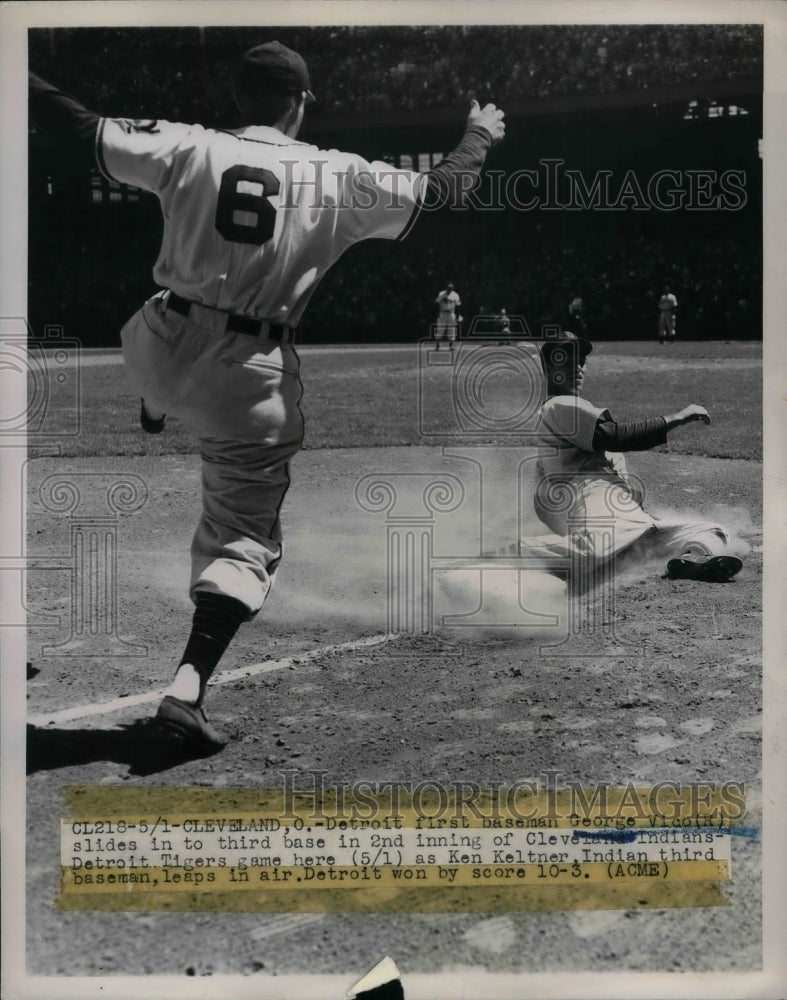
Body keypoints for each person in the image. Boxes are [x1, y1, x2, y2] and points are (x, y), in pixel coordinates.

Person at [29, 41, 506, 747]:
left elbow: (75, 127)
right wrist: (479, 134)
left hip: (155, 337)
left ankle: (158, 402)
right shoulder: (335, 172)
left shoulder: (187, 145)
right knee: (242, 536)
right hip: (248, 370)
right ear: (302, 102)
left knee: (163, 339)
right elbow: (444, 190)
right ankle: (186, 691)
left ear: (238, 97)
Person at [522, 332, 742, 590]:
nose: (578, 366)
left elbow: (542, 500)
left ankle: (691, 559)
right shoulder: (560, 405)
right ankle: (510, 555)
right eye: (568, 359)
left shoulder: (559, 415)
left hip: (622, 515)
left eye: (581, 360)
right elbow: (615, 436)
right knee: (594, 550)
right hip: (594, 504)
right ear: (549, 366)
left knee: (712, 531)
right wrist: (678, 417)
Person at [434, 282, 461, 350]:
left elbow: (458, 305)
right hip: (442, 313)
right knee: (440, 329)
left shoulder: (455, 295)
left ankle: (451, 345)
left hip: (451, 313)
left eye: (451, 288)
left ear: (452, 288)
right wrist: (437, 314)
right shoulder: (441, 294)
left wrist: (458, 315)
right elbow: (436, 303)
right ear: (446, 288)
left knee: (451, 330)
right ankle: (437, 345)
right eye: (448, 288)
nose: (449, 289)